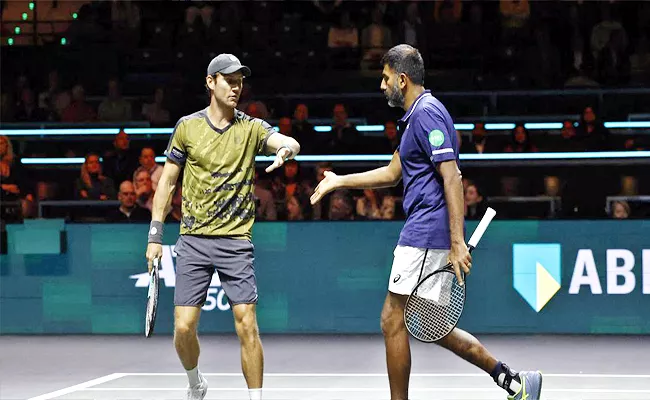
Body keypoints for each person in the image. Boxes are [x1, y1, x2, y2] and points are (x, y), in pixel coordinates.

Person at [310, 44, 542, 400]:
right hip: (427, 231)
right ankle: (512, 381)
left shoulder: (428, 115)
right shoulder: (415, 117)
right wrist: (339, 180)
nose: (382, 86)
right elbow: (392, 173)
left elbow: (452, 177)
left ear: (402, 80)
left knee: (392, 320)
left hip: (426, 231)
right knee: (434, 325)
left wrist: (456, 241)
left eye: (385, 79)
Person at [144, 54, 300, 400]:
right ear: (210, 82)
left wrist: (286, 150)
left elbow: (287, 141)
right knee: (183, 329)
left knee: (247, 323)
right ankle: (196, 383)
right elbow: (168, 183)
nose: (236, 87)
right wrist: (156, 234)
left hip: (235, 241)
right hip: (193, 241)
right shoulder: (187, 127)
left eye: (240, 81)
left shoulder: (251, 128)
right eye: (229, 80)